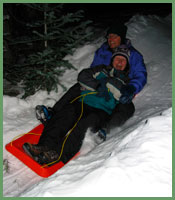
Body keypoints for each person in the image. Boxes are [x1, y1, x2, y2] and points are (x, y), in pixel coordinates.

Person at [23, 48, 132, 165]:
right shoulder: (101, 70)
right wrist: (97, 86)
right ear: (112, 60)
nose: (119, 62)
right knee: (67, 112)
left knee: (86, 124)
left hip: (101, 112)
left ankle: (55, 155)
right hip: (82, 103)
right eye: (117, 59)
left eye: (123, 60)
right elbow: (83, 76)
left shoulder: (125, 85)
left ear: (127, 65)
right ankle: (43, 146)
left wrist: (107, 126)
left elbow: (127, 108)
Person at [35, 22, 147, 136]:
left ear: (122, 38)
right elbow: (94, 69)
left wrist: (132, 87)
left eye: (114, 36)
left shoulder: (133, 54)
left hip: (119, 87)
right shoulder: (103, 50)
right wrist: (93, 83)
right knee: (79, 87)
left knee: (123, 105)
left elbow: (140, 75)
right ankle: (54, 113)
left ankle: (103, 129)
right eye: (109, 36)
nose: (110, 39)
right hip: (100, 83)